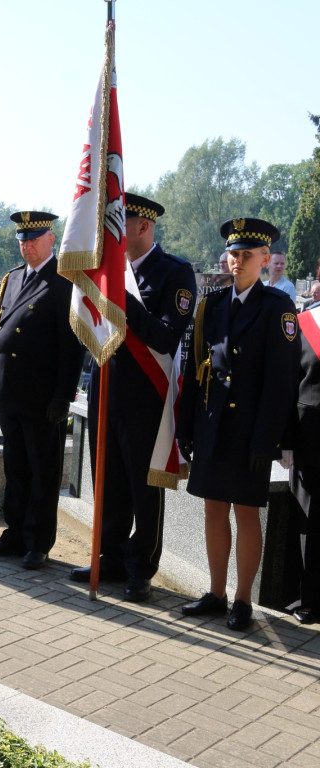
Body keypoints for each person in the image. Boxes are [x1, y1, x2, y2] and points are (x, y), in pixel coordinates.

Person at [70, 194, 197, 601]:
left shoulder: (175, 273)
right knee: (107, 481)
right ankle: (110, 556)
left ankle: (141, 567)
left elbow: (164, 336)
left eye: (120, 226)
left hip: (146, 396)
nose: (112, 236)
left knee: (144, 486)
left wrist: (122, 302)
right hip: (106, 387)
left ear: (144, 227)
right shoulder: (110, 270)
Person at [177, 217, 300, 631]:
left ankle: (243, 600)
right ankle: (216, 593)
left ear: (265, 260)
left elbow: (282, 381)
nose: (238, 261)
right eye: (233, 253)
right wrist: (186, 426)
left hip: (250, 432)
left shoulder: (277, 307)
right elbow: (197, 367)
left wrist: (266, 438)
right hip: (212, 425)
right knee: (214, 509)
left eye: (247, 255)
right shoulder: (211, 306)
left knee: (246, 513)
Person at [0, 211, 84, 569]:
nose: (27, 244)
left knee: (42, 472)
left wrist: (62, 397)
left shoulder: (64, 282)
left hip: (42, 398)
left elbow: (71, 348)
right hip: (11, 393)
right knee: (16, 469)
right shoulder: (12, 279)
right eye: (22, 239)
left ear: (51, 239)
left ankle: (39, 542)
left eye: (34, 238)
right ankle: (15, 534)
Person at [289, 298, 320, 624]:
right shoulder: (306, 323)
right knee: (310, 524)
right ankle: (310, 600)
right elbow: (290, 383)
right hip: (310, 440)